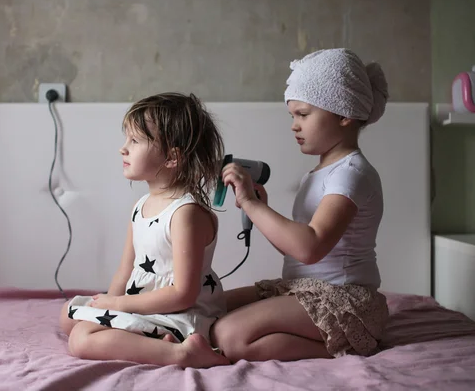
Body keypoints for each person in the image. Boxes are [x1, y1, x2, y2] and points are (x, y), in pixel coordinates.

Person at [210, 48, 390, 362]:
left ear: (344, 113)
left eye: (303, 114)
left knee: (229, 335)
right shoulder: (317, 173)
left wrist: (253, 205)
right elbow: (297, 250)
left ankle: (349, 345)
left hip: (343, 300)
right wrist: (262, 208)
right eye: (292, 115)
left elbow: (311, 247)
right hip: (301, 287)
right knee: (210, 306)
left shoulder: (350, 174)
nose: (294, 125)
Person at [59, 92, 229, 368]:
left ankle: (183, 353)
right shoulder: (141, 206)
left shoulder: (185, 214)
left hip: (178, 314)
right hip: (142, 306)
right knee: (68, 315)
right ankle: (147, 343)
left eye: (135, 141)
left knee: (80, 338)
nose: (123, 148)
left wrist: (119, 306)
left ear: (172, 157)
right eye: (126, 139)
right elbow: (125, 271)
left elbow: (183, 294)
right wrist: (109, 301)